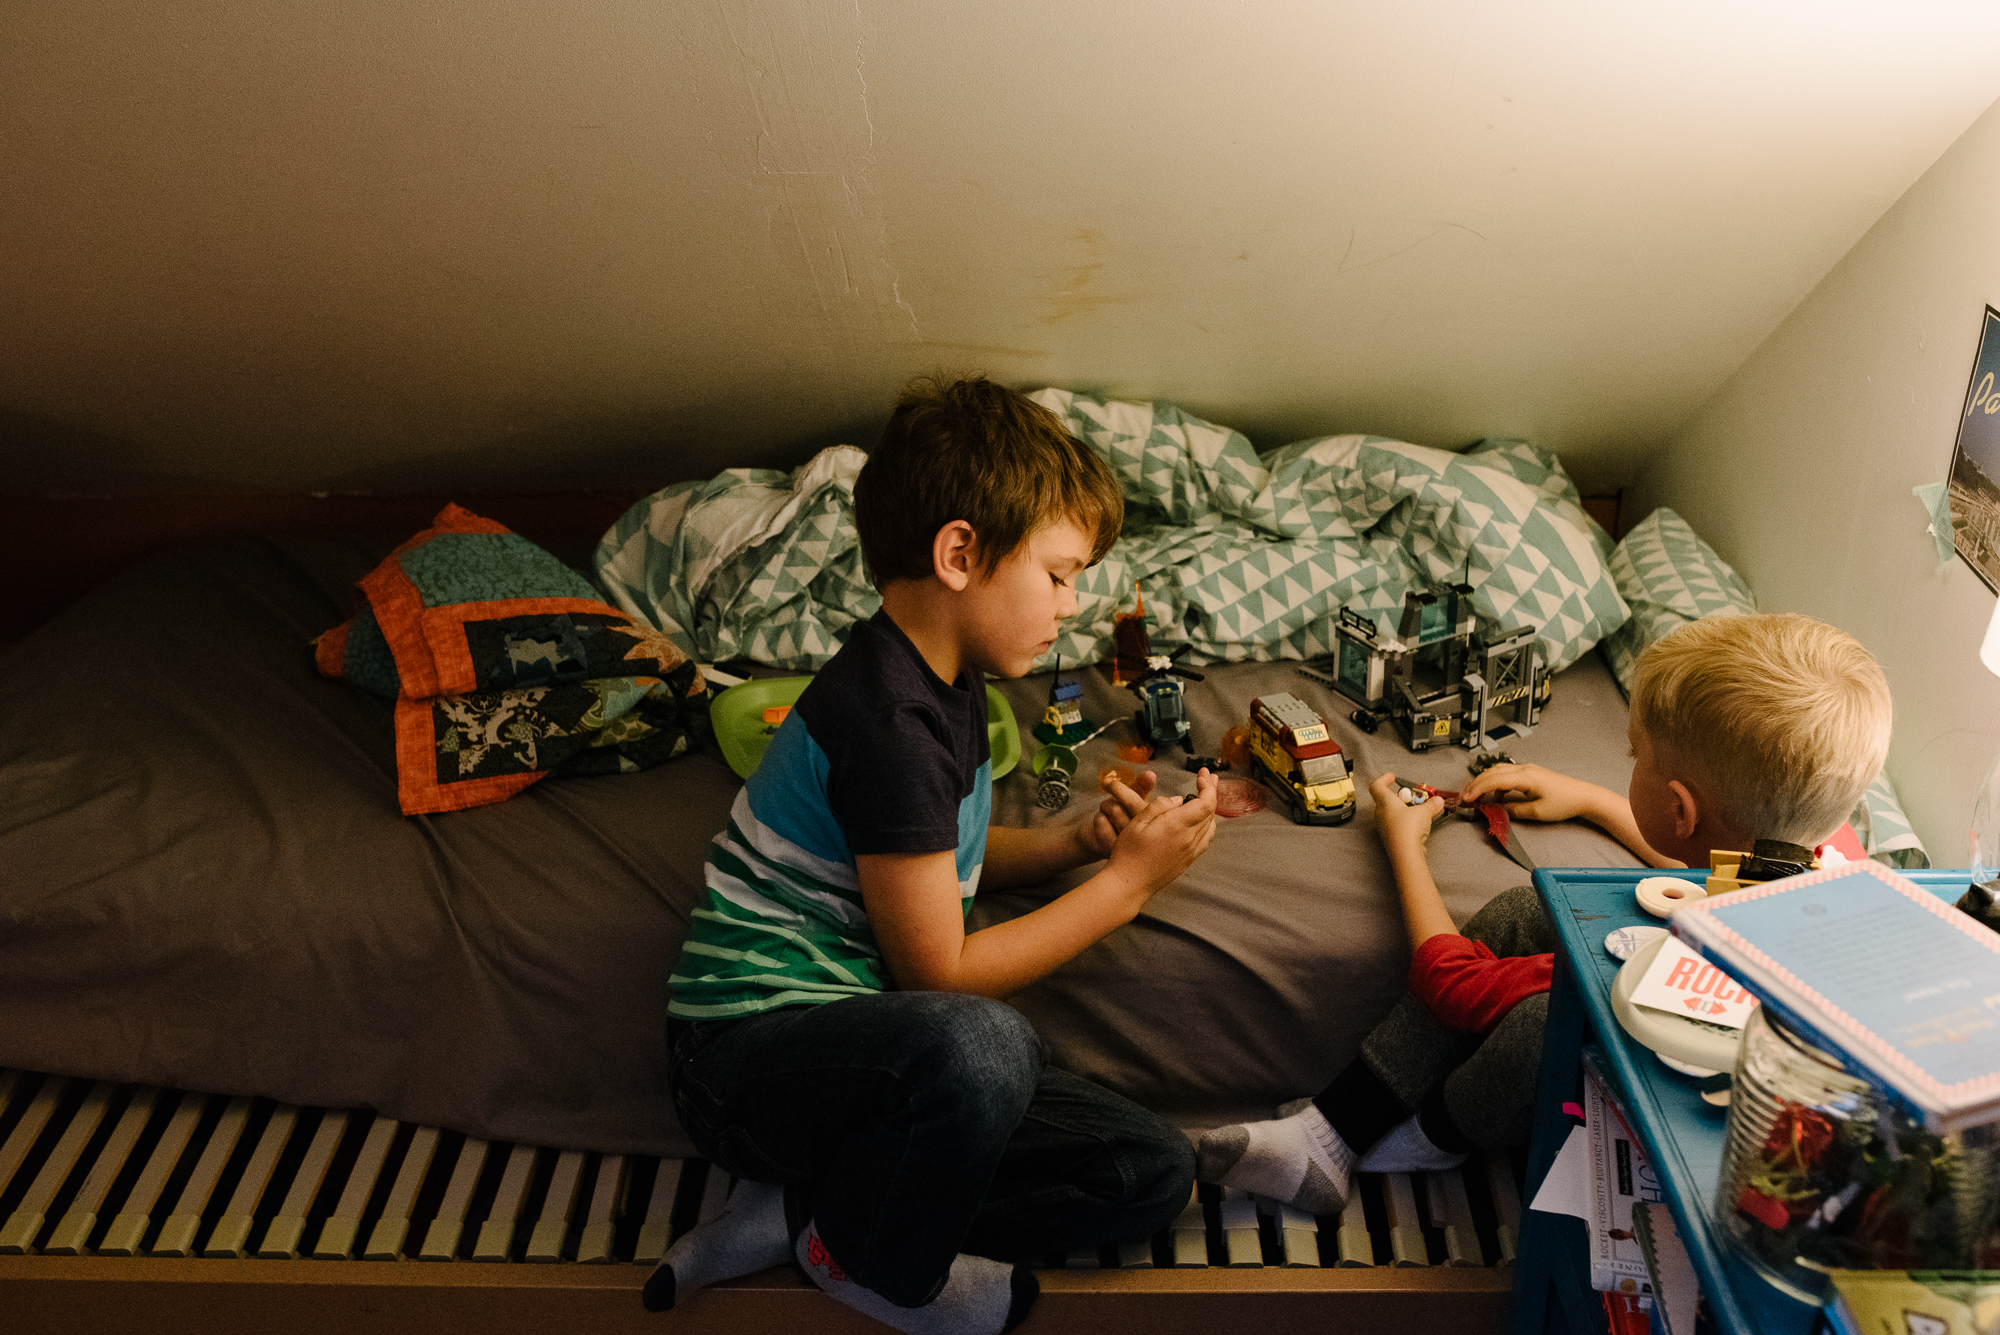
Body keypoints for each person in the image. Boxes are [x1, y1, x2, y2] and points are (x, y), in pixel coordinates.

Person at [646, 377, 1219, 1334]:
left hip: (865, 1057)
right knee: (983, 1041)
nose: (1074, 604)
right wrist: (1127, 886)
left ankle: (808, 1212)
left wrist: (1077, 846)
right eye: (1061, 572)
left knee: (1149, 1170)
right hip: (744, 1057)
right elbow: (940, 968)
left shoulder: (946, 682)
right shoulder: (890, 723)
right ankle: (872, 1263)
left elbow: (934, 864)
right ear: (961, 553)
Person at [1195, 611, 1893, 1215]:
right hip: (1730, 1004)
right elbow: (1700, 856)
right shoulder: (1822, 854)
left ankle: (1422, 1143)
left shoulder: (1662, 957)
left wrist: (1404, 846)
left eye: (1634, 756)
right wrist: (1587, 798)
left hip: (1676, 1067)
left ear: (1679, 807)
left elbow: (1453, 982)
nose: (1627, 761)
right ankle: (1330, 1131)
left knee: (1536, 1026)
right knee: (1522, 908)